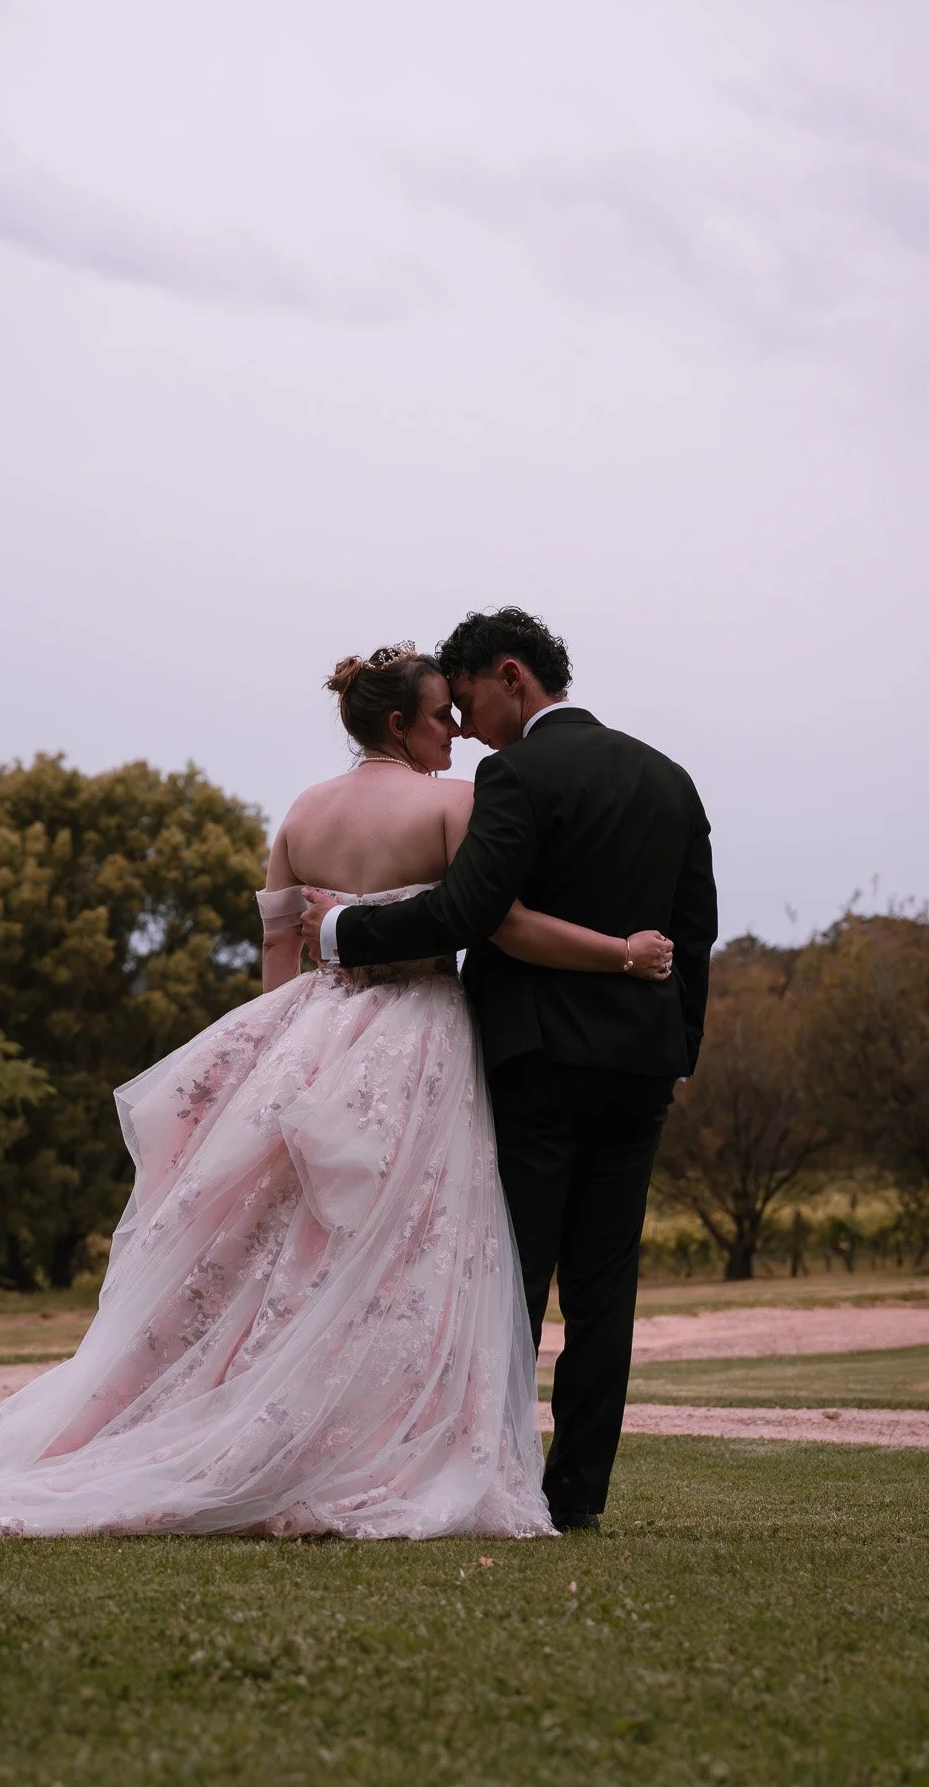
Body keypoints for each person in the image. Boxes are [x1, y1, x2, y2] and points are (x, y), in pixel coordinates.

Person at [0, 641, 675, 1541]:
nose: (456, 737)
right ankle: (381, 1445)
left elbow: (278, 952)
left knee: (295, 1257)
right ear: (399, 722)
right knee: (408, 1257)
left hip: (309, 1032)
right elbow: (496, 927)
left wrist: (279, 1062)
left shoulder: (300, 815)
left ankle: (276, 1429)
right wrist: (622, 952)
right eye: (440, 719)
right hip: (418, 1035)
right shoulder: (450, 805)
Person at [303, 609, 717, 1531]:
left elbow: (470, 909)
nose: (464, 721)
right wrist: (674, 1050)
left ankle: (497, 1480)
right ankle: (577, 1500)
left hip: (535, 1058)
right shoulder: (668, 776)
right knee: (606, 1289)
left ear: (509, 675)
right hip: (640, 1067)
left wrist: (341, 929)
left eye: (470, 698)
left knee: (513, 1275)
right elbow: (695, 933)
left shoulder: (514, 773)